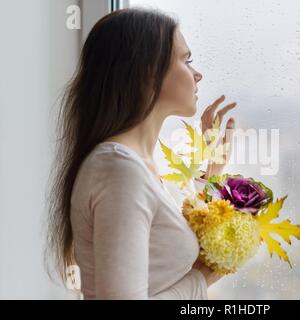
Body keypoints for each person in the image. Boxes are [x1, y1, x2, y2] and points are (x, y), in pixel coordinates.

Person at [46, 7, 236, 299]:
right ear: (147, 70)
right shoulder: (119, 169)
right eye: (187, 60)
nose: (198, 74)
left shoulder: (131, 165)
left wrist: (213, 171)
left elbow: (159, 250)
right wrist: (200, 280)